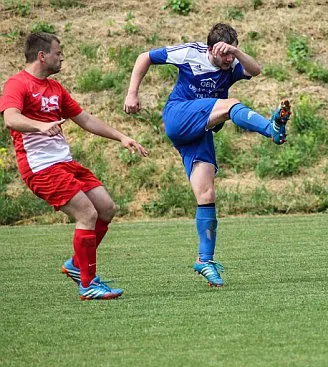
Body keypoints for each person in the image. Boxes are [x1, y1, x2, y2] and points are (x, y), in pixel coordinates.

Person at [124, 23, 291, 287]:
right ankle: (271, 130)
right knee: (231, 105)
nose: (228, 60)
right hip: (179, 116)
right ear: (210, 49)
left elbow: (255, 70)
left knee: (206, 195)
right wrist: (132, 92)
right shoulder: (191, 53)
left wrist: (236, 51)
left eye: (231, 54)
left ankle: (205, 260)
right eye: (223, 54)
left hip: (200, 131)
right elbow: (144, 56)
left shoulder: (232, 64)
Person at [0, 32, 149, 300]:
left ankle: (76, 265)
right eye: (58, 53)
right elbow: (10, 119)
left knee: (106, 208)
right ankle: (88, 284)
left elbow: (86, 120)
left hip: (65, 163)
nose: (62, 57)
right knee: (87, 214)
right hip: (40, 167)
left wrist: (122, 137)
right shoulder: (17, 84)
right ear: (42, 56)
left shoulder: (56, 89)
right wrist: (39, 125)